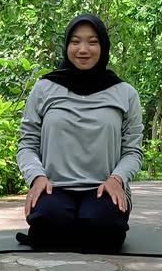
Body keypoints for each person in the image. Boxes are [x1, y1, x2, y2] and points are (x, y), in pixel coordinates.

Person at [15, 14, 143, 251]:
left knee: (105, 231)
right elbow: (27, 144)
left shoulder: (125, 93)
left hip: (104, 189)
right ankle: (66, 225)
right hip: (54, 187)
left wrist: (118, 179)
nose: (83, 49)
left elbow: (133, 151)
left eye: (92, 42)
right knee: (47, 223)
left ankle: (81, 225)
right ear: (66, 46)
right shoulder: (45, 88)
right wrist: (36, 177)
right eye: (75, 41)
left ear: (103, 46)